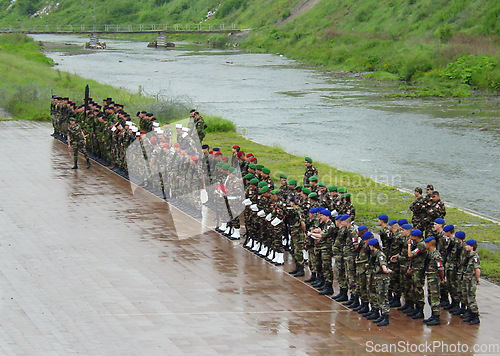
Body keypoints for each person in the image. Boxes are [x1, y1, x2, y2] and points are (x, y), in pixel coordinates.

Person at [367, 237, 392, 326]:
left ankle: (385, 317)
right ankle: (381, 315)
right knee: (378, 296)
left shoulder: (380, 254)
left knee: (382, 297)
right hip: (377, 278)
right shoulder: (374, 253)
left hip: (382, 279)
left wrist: (386, 270)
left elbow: (383, 264)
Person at [423, 236, 445, 325]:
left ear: (429, 244)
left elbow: (440, 268)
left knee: (435, 297)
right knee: (430, 297)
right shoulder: (430, 253)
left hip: (435, 279)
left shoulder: (436, 255)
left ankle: (436, 316)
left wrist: (442, 279)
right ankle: (433, 315)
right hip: (430, 278)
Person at [462, 239, 481, 325]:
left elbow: (477, 269)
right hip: (466, 278)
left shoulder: (475, 257)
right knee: (465, 296)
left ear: (472, 247)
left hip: (471, 279)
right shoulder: (468, 256)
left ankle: (475, 315)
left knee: (471, 297)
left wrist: (477, 279)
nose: (465, 247)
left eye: (467, 245)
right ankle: (469, 313)